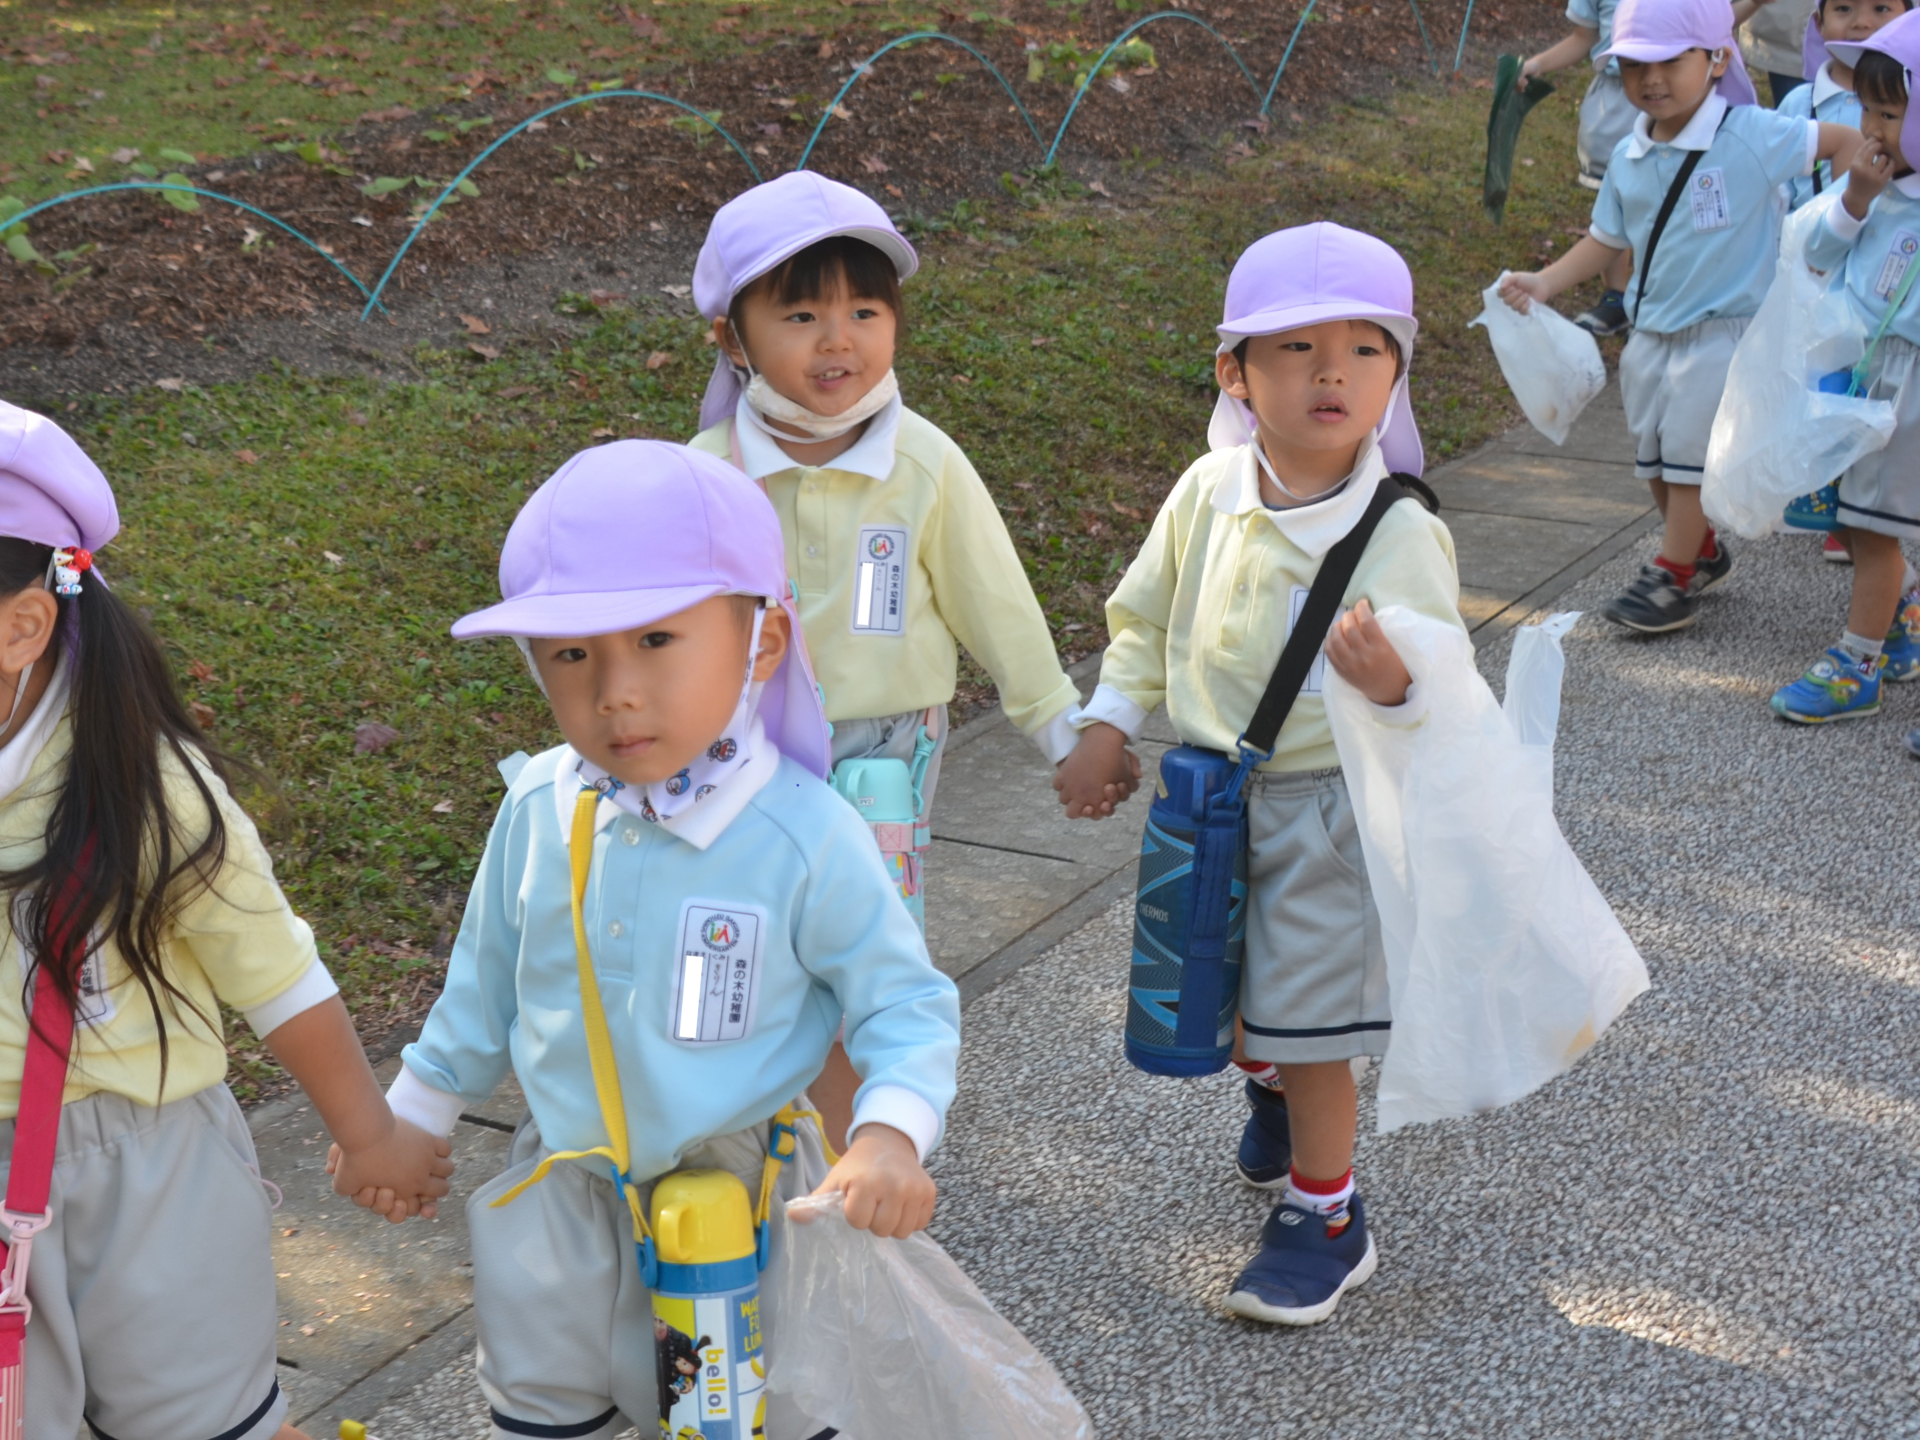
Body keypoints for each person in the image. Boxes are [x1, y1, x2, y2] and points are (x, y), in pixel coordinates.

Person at [381, 439, 961, 1439]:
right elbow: (483, 985)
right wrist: (411, 1118)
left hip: (745, 1198)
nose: (615, 692)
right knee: (542, 1404)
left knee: (740, 1416)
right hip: (564, 1180)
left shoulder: (803, 834)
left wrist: (888, 1135)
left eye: (656, 640)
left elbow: (902, 1003)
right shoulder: (539, 807)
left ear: (761, 643)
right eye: (572, 654)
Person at [0, 402, 451, 1440]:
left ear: (23, 625)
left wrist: (367, 1130)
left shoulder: (145, 784)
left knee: (200, 1419)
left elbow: (271, 969)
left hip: (150, 1172)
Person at [1054, 223, 1465, 1326]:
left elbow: (1445, 688)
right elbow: (1142, 617)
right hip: (1212, 796)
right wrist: (1109, 720)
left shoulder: (1400, 527)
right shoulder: (1207, 491)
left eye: (1365, 349)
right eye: (1295, 348)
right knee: (1228, 993)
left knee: (1311, 1022)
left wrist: (1393, 685)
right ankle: (1274, 1097)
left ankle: (1327, 1215)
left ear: (1395, 374)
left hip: (1332, 807)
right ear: (1236, 370)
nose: (1332, 371)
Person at [686, 171, 1081, 1145]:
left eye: (865, 309)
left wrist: (1064, 731)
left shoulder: (924, 465)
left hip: (882, 754)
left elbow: (998, 603)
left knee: (858, 952)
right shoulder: (705, 474)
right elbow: (653, 626)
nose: (839, 340)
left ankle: (860, 1153)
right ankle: (728, 1146)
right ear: (732, 339)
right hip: (736, 758)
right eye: (802, 313)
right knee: (738, 944)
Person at [1500, 0, 1863, 634]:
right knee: (1654, 462)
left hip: (1725, 334)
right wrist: (1545, 282)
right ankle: (1700, 551)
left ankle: (1669, 575)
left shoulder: (1751, 132)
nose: (1652, 78)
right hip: (1650, 335)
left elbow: (1844, 140)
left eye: (1671, 60)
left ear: (1718, 58)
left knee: (1689, 461)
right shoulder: (1629, 155)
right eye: (1635, 64)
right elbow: (1608, 239)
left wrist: (1837, 215)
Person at [1772, 13, 1920, 728]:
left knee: (1873, 523)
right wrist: (1856, 198)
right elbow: (1820, 256)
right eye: (1865, 108)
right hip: (1862, 377)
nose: (1872, 127)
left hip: (1910, 385)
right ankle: (1895, 623)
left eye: (1890, 112)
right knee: (1858, 519)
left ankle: (1856, 661)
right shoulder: (1877, 187)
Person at [1521, 0, 1641, 334]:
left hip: (1674, 92)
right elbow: (1583, 36)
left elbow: (1718, 22)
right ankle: (1616, 298)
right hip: (1613, 102)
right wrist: (1538, 63)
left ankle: (1657, 295)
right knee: (1614, 201)